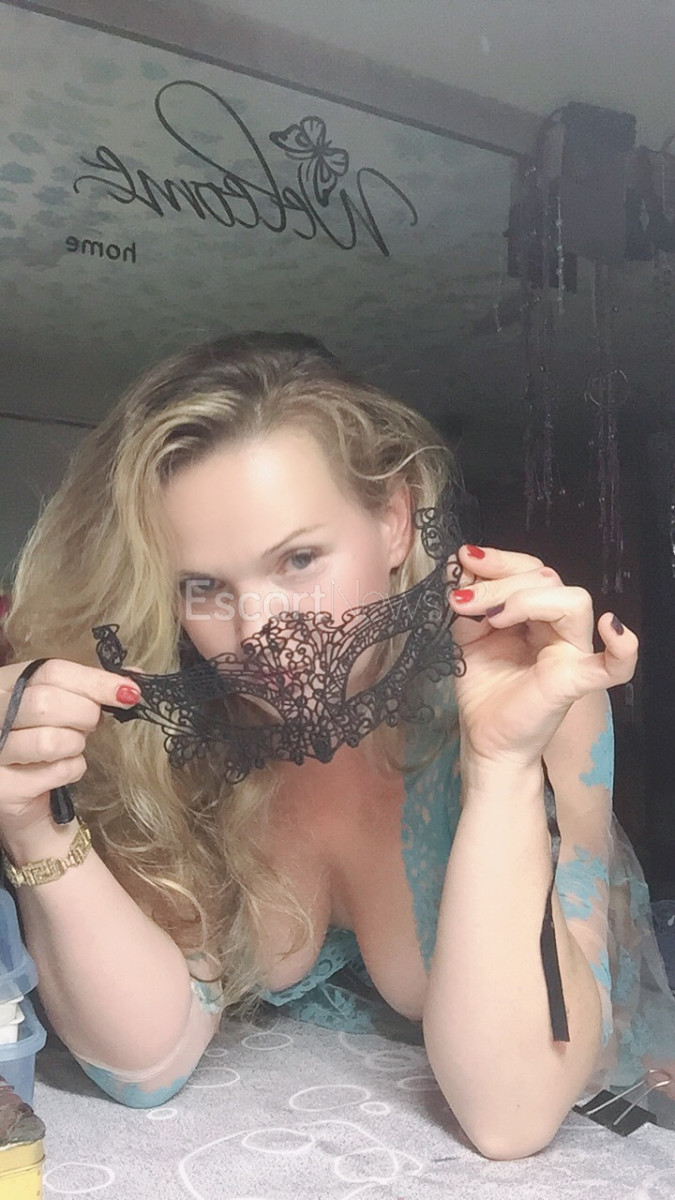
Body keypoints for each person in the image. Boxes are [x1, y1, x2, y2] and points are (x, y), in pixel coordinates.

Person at [0, 332, 672, 1161]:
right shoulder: (182, 733)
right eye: (202, 586)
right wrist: (36, 824)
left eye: (298, 559)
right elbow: (145, 1064)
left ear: (393, 520)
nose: (258, 631)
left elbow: (509, 1116)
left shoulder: (527, 690)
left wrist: (499, 767)